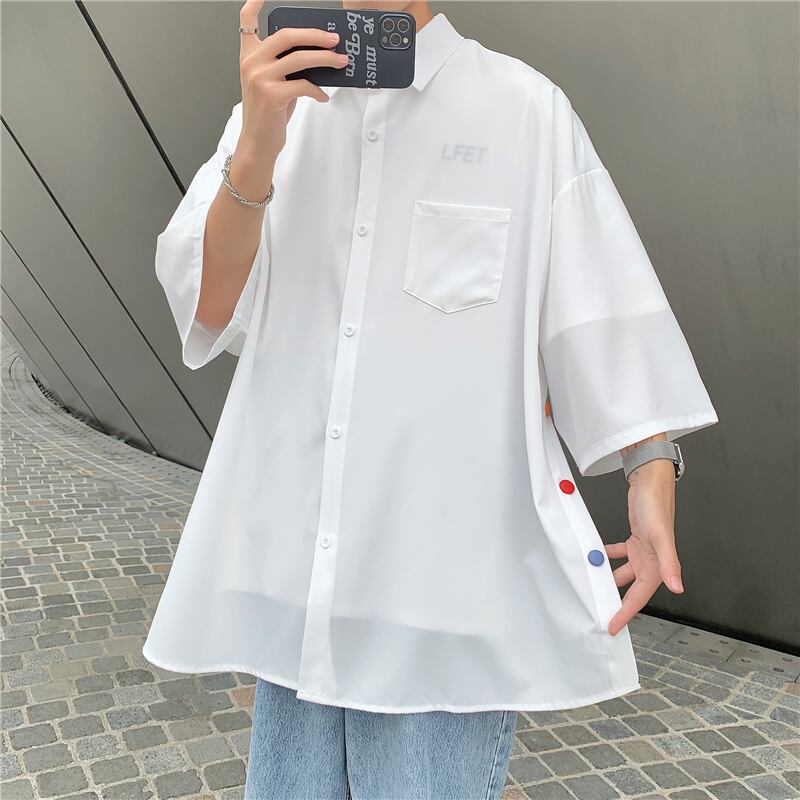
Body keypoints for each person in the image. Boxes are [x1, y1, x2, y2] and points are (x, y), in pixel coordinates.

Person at [143, 1, 719, 797]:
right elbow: (209, 310)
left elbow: (601, 305)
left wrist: (651, 470)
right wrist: (256, 147)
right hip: (300, 590)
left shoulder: (524, 111)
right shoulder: (274, 115)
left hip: (444, 598)